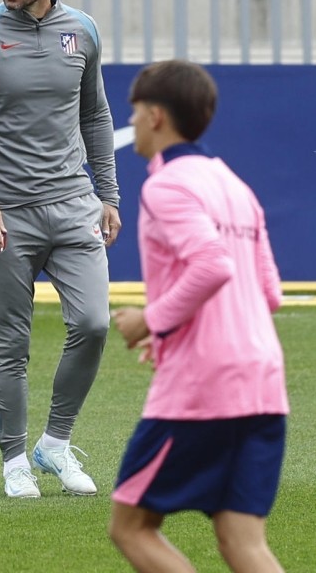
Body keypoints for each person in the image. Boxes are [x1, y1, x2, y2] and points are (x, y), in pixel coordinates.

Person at [0, 0, 122, 499]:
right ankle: (14, 459)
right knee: (11, 341)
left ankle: (56, 443)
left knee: (94, 324)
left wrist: (109, 195)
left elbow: (96, 116)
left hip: (74, 206)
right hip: (6, 214)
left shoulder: (84, 31)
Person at [110, 60, 288, 573]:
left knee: (131, 526)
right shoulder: (235, 185)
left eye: (137, 111)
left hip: (203, 386)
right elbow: (268, 293)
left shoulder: (166, 186)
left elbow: (212, 265)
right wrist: (176, 324)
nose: (134, 122)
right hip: (263, 383)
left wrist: (152, 320)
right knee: (241, 539)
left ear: (158, 116)